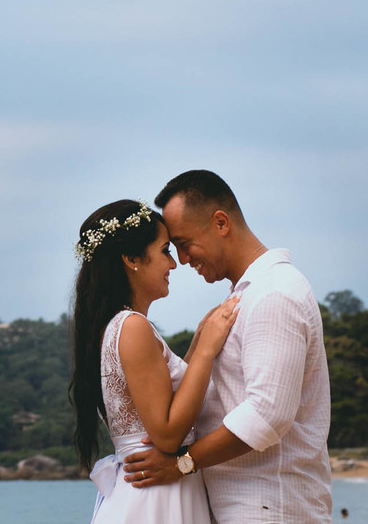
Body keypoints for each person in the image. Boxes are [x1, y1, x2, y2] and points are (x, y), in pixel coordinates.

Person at [122, 170, 332, 523]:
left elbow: (267, 415)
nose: (182, 260)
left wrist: (183, 463)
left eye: (184, 243)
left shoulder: (274, 294)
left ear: (221, 223)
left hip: (270, 506)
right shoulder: (248, 295)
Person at [70, 198, 240, 523]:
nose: (174, 264)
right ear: (132, 259)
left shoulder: (114, 326)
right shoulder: (132, 327)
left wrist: (197, 344)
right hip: (156, 494)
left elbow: (161, 398)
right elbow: (166, 435)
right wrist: (206, 351)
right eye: (165, 251)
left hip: (147, 490)